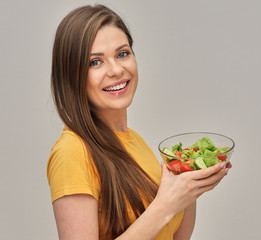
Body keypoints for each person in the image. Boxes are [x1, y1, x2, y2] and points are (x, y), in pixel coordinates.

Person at [47, 4, 231, 240]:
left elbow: (175, 237)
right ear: (71, 75)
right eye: (95, 62)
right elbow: (162, 212)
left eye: (122, 54)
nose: (116, 70)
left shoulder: (134, 141)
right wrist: (165, 205)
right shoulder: (72, 152)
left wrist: (189, 185)